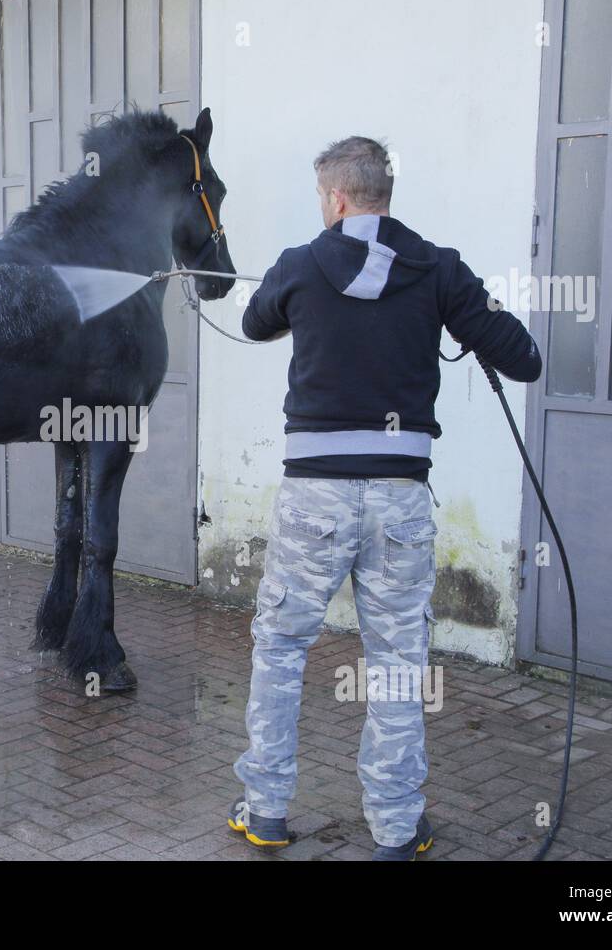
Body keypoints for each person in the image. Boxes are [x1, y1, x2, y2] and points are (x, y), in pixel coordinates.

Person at [227, 136, 541, 860]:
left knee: (280, 650)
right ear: (382, 195)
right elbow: (523, 357)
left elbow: (252, 324)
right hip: (400, 499)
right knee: (399, 662)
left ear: (336, 199)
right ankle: (398, 828)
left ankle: (267, 811)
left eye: (321, 200)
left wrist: (303, 292)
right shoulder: (438, 267)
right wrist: (457, 316)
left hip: (315, 500)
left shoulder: (302, 264)